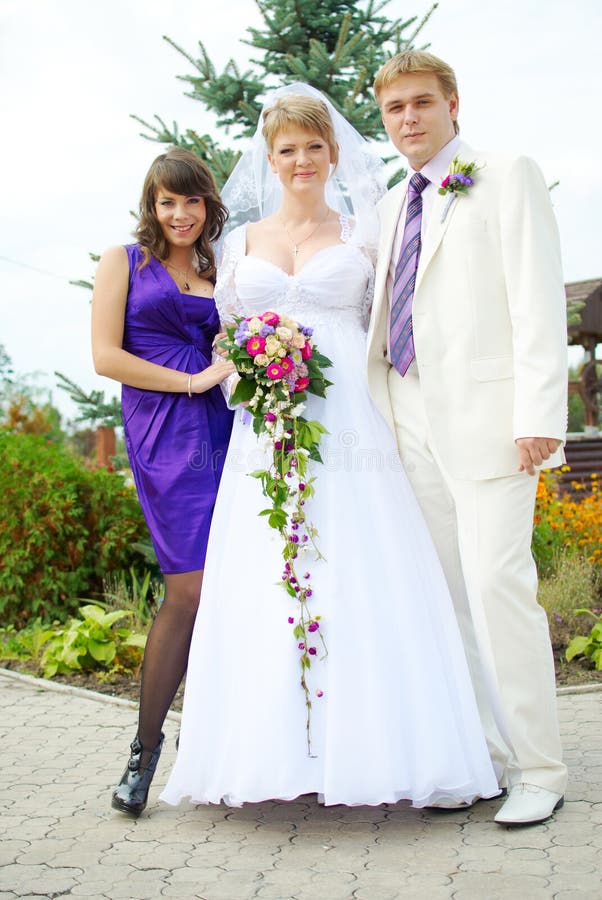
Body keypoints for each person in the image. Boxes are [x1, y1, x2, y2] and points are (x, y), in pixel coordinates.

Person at [160, 83, 500, 809]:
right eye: (288, 149)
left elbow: (401, 318)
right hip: (266, 425)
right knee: (266, 568)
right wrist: (248, 373)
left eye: (315, 147)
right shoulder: (238, 243)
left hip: (350, 416)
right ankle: (275, 757)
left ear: (333, 153)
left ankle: (383, 750)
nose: (302, 159)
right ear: (270, 158)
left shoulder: (362, 233)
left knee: (359, 563)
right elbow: (225, 334)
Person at [367, 51, 568, 825]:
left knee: (498, 590)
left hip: (492, 424)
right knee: (447, 599)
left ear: (453, 104)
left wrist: (538, 418)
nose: (409, 119)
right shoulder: (390, 206)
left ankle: (540, 768)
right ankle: (480, 757)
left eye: (422, 103)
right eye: (395, 109)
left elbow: (535, 296)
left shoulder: (505, 171)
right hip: (407, 417)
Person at [91, 148, 236, 817]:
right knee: (190, 588)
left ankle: (215, 751)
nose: (179, 214)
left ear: (208, 206)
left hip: (229, 431)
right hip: (164, 436)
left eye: (191, 201)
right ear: (152, 205)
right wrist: (191, 378)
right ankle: (143, 753)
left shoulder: (220, 267)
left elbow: (239, 343)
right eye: (166, 202)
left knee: (235, 588)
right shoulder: (124, 261)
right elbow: (105, 357)